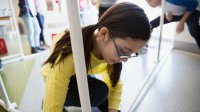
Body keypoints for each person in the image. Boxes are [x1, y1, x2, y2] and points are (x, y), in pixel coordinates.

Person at [41, 2, 151, 112]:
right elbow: (55, 92)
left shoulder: (110, 50)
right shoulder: (70, 55)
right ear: (104, 34)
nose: (125, 59)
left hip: (81, 71)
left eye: (131, 54)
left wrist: (113, 109)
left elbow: (115, 82)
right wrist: (52, 104)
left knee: (106, 98)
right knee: (98, 92)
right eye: (124, 51)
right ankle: (47, 100)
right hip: (54, 76)